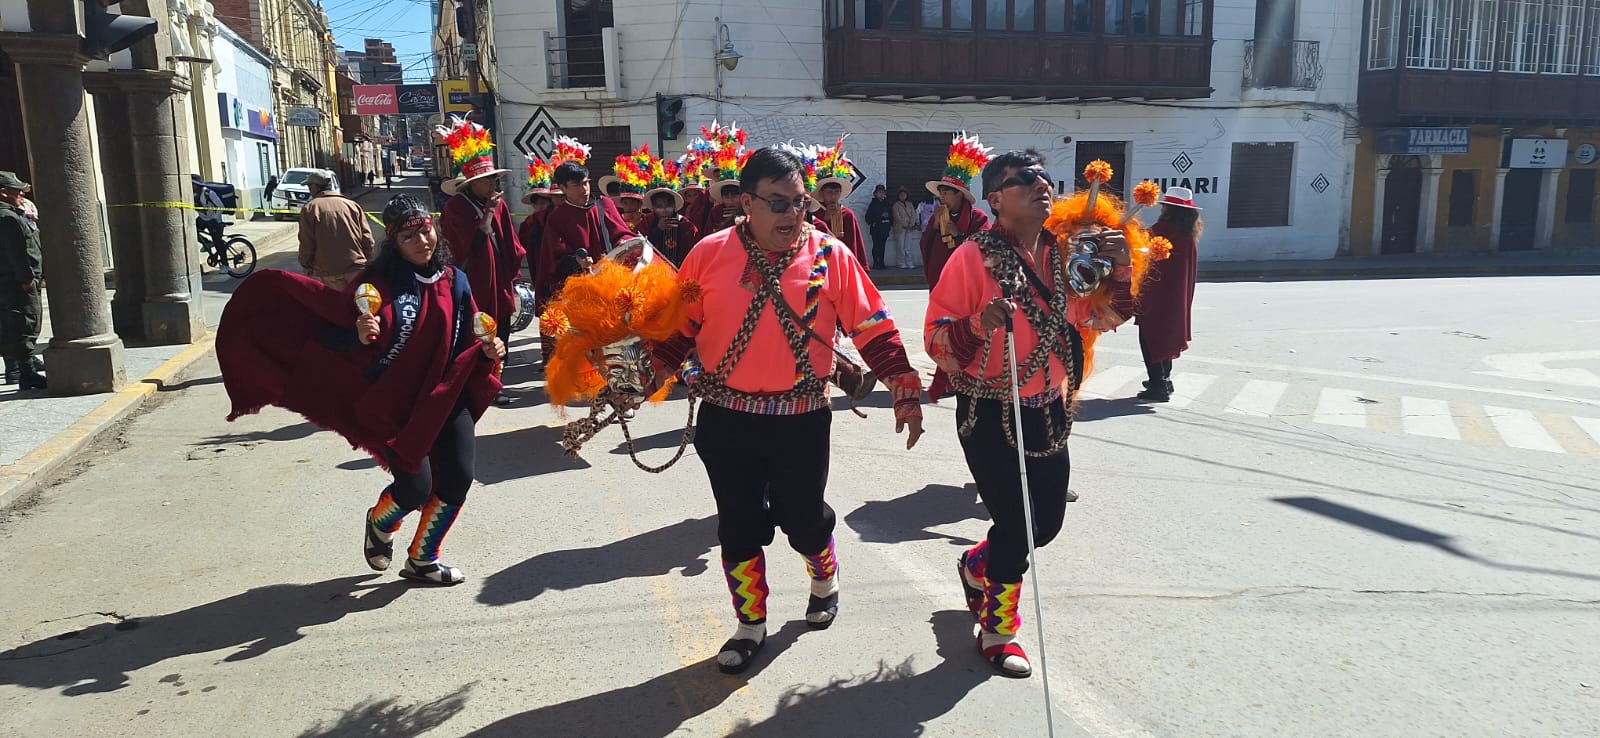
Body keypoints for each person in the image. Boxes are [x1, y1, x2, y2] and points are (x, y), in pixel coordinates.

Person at [648, 147, 925, 675]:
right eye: (778, 203)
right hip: (727, 419)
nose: (792, 215)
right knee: (739, 523)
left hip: (800, 418)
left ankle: (824, 577)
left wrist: (903, 388)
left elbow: (872, 327)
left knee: (803, 518)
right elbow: (679, 327)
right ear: (746, 203)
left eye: (799, 203)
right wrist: (651, 370)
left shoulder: (829, 255)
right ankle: (750, 624)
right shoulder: (708, 254)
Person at [216, 194, 506, 584]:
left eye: (426, 231)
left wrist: (489, 350)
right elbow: (332, 335)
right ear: (393, 241)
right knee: (415, 487)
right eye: (409, 237)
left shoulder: (457, 282)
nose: (423, 242)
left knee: (457, 478)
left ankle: (423, 558)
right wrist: (357, 334)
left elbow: (470, 335)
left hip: (444, 397)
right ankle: (379, 521)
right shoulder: (375, 285)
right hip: (391, 403)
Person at [925, 150, 1136, 678]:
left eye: (1044, 178)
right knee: (1017, 527)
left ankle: (978, 563)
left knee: (1045, 525)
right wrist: (978, 325)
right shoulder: (972, 257)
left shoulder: (1070, 252)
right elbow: (935, 340)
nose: (1042, 186)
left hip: (1049, 408)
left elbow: (1107, 315)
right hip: (988, 408)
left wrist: (1121, 265)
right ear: (996, 199)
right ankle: (999, 631)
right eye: (1025, 180)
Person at [436, 116, 525, 404]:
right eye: (488, 180)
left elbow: (510, 243)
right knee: (476, 335)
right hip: (473, 283)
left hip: (498, 281)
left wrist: (514, 274)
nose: (493, 184)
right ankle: (477, 385)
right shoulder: (457, 207)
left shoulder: (497, 205)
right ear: (473, 182)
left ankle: (495, 383)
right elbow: (457, 249)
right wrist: (484, 223)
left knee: (502, 332)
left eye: (494, 179)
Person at [535, 137, 634, 360]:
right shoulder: (557, 218)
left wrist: (624, 243)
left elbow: (623, 233)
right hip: (582, 290)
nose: (585, 189)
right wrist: (576, 263)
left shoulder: (605, 204)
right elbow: (554, 259)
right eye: (577, 185)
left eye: (587, 182)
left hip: (613, 282)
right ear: (562, 188)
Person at [922, 133, 994, 402]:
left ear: (960, 195)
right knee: (941, 330)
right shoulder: (935, 217)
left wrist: (960, 235)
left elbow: (986, 248)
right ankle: (947, 374)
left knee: (963, 331)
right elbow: (927, 248)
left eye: (946, 191)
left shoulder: (978, 218)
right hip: (941, 284)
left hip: (967, 288)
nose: (942, 195)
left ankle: (959, 376)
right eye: (940, 191)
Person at [1134, 186, 1202, 402]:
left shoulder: (1164, 229)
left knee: (1150, 336)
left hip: (1157, 295)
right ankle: (1164, 378)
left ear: (1168, 209)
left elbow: (1140, 246)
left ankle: (1158, 384)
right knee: (1167, 335)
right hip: (1177, 296)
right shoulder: (1188, 232)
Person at [0, 171, 45, 389]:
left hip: (9, 282)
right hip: (16, 283)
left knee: (11, 324)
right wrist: (27, 279)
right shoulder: (7, 218)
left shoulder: (11, 214)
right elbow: (17, 253)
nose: (21, 194)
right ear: (3, 192)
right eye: (16, 190)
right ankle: (24, 372)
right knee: (25, 323)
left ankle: (20, 369)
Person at [298, 171, 376, 290]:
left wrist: (306, 264)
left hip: (328, 272)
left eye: (310, 186)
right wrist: (367, 259)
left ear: (317, 187)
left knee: (336, 306)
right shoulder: (352, 205)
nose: (309, 189)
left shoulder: (310, 208)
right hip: (356, 268)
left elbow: (307, 242)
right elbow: (367, 238)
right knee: (359, 305)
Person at [809, 139, 869, 272]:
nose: (833, 196)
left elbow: (855, 243)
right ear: (822, 193)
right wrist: (824, 219)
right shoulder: (814, 213)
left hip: (843, 263)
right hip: (821, 263)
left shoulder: (847, 214)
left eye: (836, 192)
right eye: (829, 193)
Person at [638, 163, 700, 265]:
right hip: (652, 269)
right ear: (653, 207)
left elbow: (694, 251)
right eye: (659, 206)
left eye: (668, 205)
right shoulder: (647, 221)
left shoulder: (686, 225)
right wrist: (657, 230)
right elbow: (638, 245)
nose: (664, 210)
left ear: (675, 206)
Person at [195, 178, 227, 254]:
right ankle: (207, 243)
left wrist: (215, 218)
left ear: (197, 185)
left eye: (193, 185)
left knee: (218, 243)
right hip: (203, 219)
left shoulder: (209, 193)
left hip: (214, 220)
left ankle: (225, 264)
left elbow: (221, 206)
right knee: (191, 231)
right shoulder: (194, 195)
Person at [891, 187, 921, 270]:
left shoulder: (910, 204)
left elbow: (913, 214)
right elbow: (896, 216)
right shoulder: (896, 205)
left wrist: (911, 224)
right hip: (900, 228)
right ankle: (901, 262)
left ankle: (909, 262)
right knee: (900, 246)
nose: (903, 196)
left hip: (909, 228)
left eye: (904, 194)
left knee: (907, 246)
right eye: (901, 194)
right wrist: (905, 225)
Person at [865, 184, 893, 270]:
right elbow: (868, 217)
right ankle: (875, 263)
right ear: (875, 194)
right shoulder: (873, 204)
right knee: (876, 246)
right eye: (879, 192)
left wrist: (890, 223)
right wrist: (874, 221)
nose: (881, 194)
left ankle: (882, 263)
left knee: (882, 246)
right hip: (876, 229)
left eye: (882, 192)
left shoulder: (887, 204)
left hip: (884, 228)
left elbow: (891, 215)